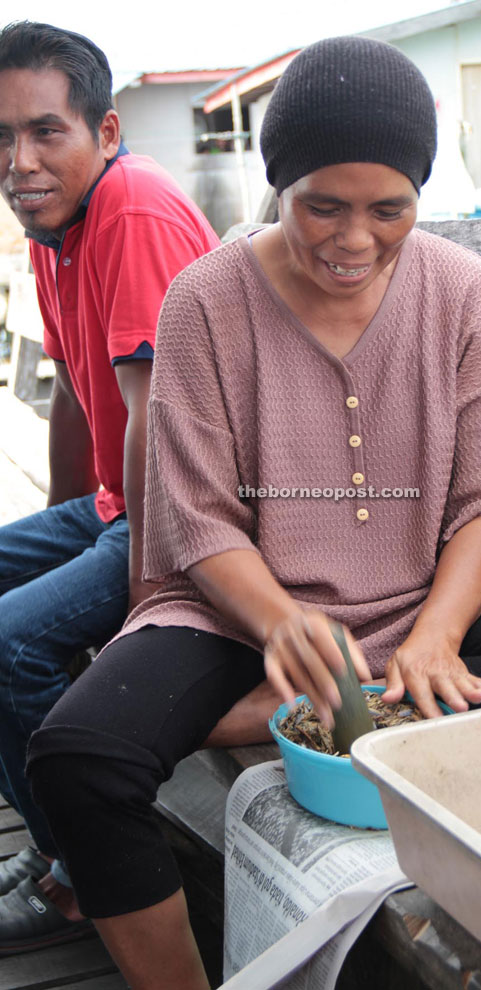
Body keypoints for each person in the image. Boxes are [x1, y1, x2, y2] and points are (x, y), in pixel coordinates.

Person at [24, 36, 481, 989]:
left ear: (417, 199)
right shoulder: (206, 300)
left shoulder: (465, 294)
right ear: (279, 184)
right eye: (323, 205)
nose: (353, 240)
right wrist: (283, 623)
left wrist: (438, 636)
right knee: (78, 755)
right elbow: (197, 518)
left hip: (425, 606)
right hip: (244, 621)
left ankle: (326, 700)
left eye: (388, 210)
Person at [0, 20, 219, 952]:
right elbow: (78, 406)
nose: (20, 161)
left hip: (195, 515)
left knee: (10, 646)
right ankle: (68, 839)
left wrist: (134, 601)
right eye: (2, 139)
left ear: (108, 131)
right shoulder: (57, 226)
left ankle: (82, 869)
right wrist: (62, 525)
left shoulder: (129, 210)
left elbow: (160, 425)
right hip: (119, 506)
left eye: (46, 132)